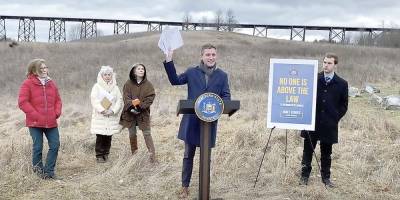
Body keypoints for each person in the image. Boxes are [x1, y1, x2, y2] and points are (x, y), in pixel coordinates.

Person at [163, 44, 231, 198]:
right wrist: (169, 59)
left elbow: (227, 97)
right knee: (188, 155)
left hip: (209, 123)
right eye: (208, 54)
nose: (211, 57)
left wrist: (222, 104)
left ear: (216, 56)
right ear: (202, 56)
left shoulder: (222, 75)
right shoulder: (192, 72)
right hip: (192, 122)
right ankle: (184, 186)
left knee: (206, 158)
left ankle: (204, 188)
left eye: (213, 54)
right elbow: (175, 80)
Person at [299, 53, 348, 187]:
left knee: (326, 153)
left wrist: (334, 117)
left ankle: (326, 179)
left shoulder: (342, 84)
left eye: (329, 63)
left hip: (329, 124)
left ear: (335, 65)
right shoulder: (313, 78)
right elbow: (304, 97)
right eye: (324, 62)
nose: (326, 65)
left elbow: (344, 105)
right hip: (312, 122)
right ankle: (304, 177)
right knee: (307, 151)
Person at [18, 58, 62, 179]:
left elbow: (58, 100)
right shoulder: (27, 83)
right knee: (38, 146)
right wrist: (36, 115)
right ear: (34, 70)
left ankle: (49, 172)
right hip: (35, 122)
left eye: (45, 67)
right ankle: (38, 172)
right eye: (41, 68)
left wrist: (56, 113)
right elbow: (22, 102)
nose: (44, 70)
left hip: (51, 121)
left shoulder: (51, 83)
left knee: (55, 144)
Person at [119, 63, 156, 163]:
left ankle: (153, 158)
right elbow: (125, 97)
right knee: (132, 133)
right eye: (139, 69)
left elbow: (150, 97)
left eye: (143, 69)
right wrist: (131, 105)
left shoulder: (148, 85)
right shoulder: (128, 83)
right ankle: (134, 155)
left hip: (143, 113)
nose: (141, 70)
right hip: (130, 113)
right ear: (134, 71)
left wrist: (141, 106)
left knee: (147, 133)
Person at [90, 66, 123, 163]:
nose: (107, 76)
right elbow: (94, 99)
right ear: (101, 76)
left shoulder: (115, 87)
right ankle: (99, 155)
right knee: (100, 136)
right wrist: (102, 110)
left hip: (111, 116)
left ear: (112, 76)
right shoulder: (97, 86)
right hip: (100, 116)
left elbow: (119, 100)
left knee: (109, 136)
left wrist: (113, 111)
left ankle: (106, 154)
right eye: (105, 75)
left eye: (109, 74)